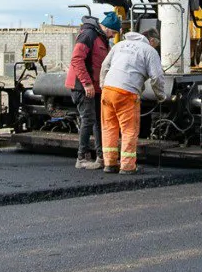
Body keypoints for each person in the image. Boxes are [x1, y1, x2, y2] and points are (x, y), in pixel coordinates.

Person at [98, 28, 167, 175]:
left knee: (109, 127)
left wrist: (103, 85)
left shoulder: (120, 45)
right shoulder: (149, 50)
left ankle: (110, 164)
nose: (155, 47)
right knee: (129, 130)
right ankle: (127, 167)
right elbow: (156, 77)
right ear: (152, 40)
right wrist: (161, 95)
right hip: (126, 93)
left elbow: (104, 66)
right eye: (156, 44)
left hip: (108, 90)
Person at [65, 11, 120, 169]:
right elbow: (77, 59)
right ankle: (81, 158)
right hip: (82, 87)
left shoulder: (101, 38)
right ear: (107, 28)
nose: (113, 36)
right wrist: (87, 84)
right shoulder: (88, 35)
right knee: (88, 119)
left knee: (98, 121)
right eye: (113, 32)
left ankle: (101, 156)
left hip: (95, 87)